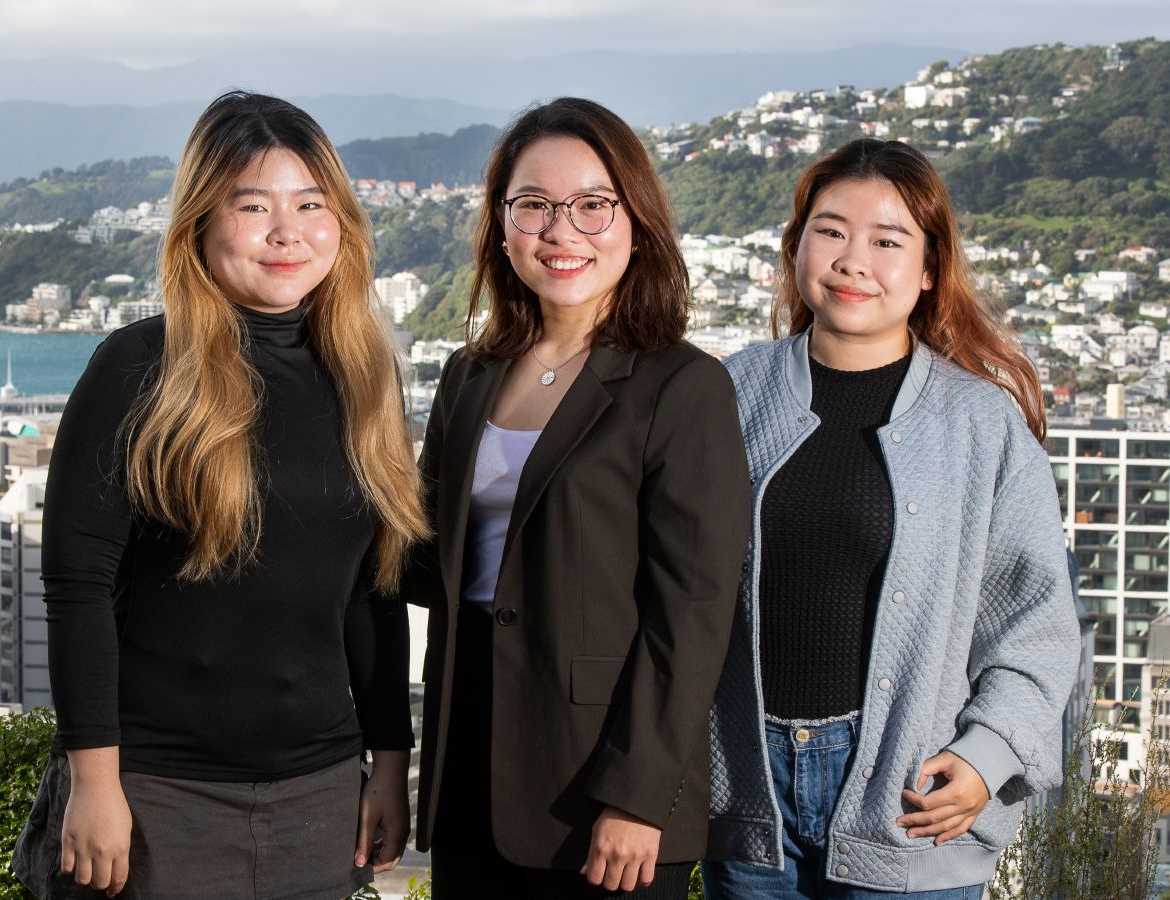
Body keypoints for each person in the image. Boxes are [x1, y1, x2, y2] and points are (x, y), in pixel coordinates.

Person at [11, 90, 429, 900]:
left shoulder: (366, 378)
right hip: (156, 791)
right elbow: (77, 587)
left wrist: (388, 760)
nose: (287, 231)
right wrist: (96, 786)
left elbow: (370, 592)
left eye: (311, 204)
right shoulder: (139, 369)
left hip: (319, 796)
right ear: (201, 222)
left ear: (340, 221)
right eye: (252, 205)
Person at [703, 138, 1082, 899]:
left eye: (887, 240)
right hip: (746, 797)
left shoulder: (980, 425)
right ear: (797, 244)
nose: (853, 260)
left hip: (912, 800)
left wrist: (987, 754)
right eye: (832, 230)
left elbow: (1038, 625)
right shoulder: (728, 393)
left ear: (930, 268)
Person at [404, 97, 752, 898]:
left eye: (595, 206)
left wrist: (637, 794)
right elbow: (425, 562)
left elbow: (694, 613)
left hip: (603, 780)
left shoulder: (682, 385)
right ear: (501, 224)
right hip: (470, 761)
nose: (563, 231)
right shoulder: (470, 374)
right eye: (535, 206)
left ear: (637, 222)